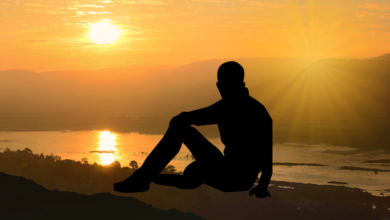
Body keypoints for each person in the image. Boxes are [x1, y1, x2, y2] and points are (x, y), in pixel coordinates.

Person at [114, 61, 272, 198]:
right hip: (234, 174)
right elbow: (267, 159)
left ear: (220, 85)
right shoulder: (259, 111)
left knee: (182, 134)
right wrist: (262, 187)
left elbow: (183, 120)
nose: (222, 89)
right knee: (193, 169)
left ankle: (143, 179)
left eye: (223, 85)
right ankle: (150, 178)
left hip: (230, 178)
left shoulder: (228, 107)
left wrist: (262, 188)